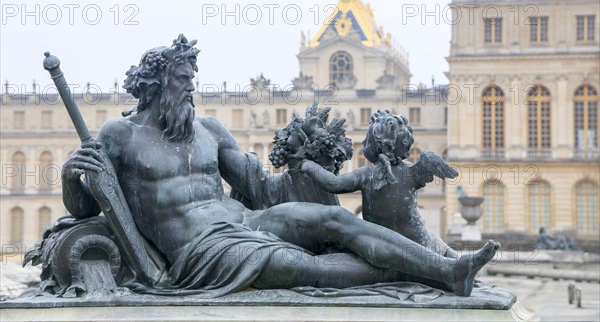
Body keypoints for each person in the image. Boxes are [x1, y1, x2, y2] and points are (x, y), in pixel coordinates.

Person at [62, 35, 499, 298]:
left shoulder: (210, 129)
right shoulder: (120, 136)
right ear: (156, 83)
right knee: (298, 266)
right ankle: (428, 272)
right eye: (182, 79)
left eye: (193, 79)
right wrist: (70, 177)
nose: (191, 87)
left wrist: (305, 160)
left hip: (247, 220)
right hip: (201, 251)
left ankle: (446, 270)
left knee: (331, 219)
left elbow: (263, 186)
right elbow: (88, 208)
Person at [301, 110, 458, 258]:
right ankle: (463, 266)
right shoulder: (411, 171)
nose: (363, 142)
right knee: (439, 245)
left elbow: (333, 184)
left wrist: (308, 165)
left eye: (366, 140)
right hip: (417, 241)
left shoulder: (366, 174)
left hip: (381, 243)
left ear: (374, 145)